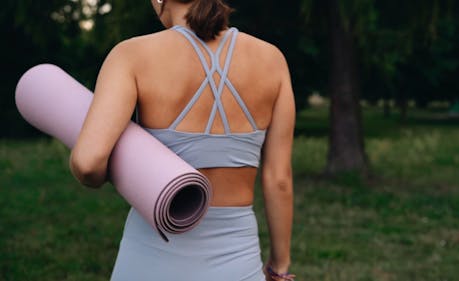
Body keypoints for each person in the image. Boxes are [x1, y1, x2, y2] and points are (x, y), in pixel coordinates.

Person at [69, 0, 295, 280]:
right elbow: (279, 179)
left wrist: (120, 174)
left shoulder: (131, 55)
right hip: (237, 262)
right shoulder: (272, 59)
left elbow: (88, 163)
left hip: (149, 259)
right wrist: (279, 264)